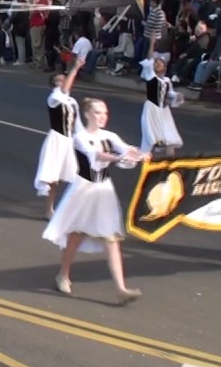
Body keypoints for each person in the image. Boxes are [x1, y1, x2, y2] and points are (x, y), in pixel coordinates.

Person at [43, 98, 148, 304]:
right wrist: (118, 159)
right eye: (98, 113)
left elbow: (125, 148)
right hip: (84, 189)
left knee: (112, 237)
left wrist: (139, 154)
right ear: (88, 114)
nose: (102, 117)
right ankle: (63, 274)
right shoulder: (80, 137)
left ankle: (120, 288)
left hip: (103, 189)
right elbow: (97, 155)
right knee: (76, 234)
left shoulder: (109, 135)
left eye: (105, 113)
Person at [33, 55, 84, 217]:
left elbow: (78, 125)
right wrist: (75, 68)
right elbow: (62, 91)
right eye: (59, 79)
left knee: (72, 177)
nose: (63, 80)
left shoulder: (71, 101)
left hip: (68, 141)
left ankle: (67, 209)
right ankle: (49, 210)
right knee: (53, 178)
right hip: (56, 140)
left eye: (64, 78)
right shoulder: (54, 98)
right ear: (55, 84)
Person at [140, 56, 183, 157]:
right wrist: (152, 41)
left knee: (170, 136)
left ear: (165, 66)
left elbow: (170, 92)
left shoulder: (167, 80)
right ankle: (145, 158)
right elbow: (150, 57)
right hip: (151, 110)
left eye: (160, 63)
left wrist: (177, 95)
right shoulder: (150, 76)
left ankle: (170, 163)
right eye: (156, 63)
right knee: (150, 136)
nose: (157, 65)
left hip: (164, 112)